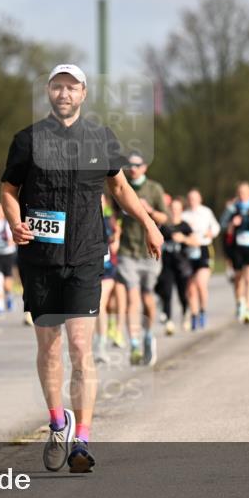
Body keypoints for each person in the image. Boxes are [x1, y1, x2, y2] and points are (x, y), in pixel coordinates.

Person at [0, 63, 163, 474]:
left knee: (79, 348)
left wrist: (149, 223)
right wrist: (14, 221)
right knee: (49, 348)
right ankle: (58, 424)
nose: (64, 94)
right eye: (58, 87)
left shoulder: (100, 138)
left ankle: (82, 441)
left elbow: (120, 186)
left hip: (87, 256)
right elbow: (8, 190)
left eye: (72, 88)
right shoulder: (27, 140)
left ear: (83, 94)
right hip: (40, 259)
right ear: (48, 92)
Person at [115, 153, 168, 366]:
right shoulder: (119, 185)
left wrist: (150, 211)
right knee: (132, 296)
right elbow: (113, 216)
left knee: (147, 297)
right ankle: (135, 343)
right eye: (130, 165)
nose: (133, 168)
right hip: (128, 250)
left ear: (145, 167)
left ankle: (147, 334)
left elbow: (166, 218)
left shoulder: (154, 189)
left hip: (149, 252)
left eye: (137, 165)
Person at [222, 182, 249, 324]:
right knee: (238, 277)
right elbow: (222, 225)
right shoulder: (232, 208)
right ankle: (240, 303)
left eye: (245, 192)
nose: (243, 195)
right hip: (237, 247)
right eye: (240, 192)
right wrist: (232, 224)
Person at [157, 197, 196, 335]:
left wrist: (183, 238)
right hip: (166, 264)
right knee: (166, 292)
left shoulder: (185, 226)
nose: (174, 211)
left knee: (182, 293)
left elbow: (195, 241)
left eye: (177, 209)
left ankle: (185, 313)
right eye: (172, 209)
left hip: (182, 265)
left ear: (181, 210)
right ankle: (169, 321)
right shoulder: (164, 226)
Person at [182, 189, 220, 330]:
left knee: (201, 283)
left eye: (195, 198)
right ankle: (194, 314)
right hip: (189, 251)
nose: (192, 201)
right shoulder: (184, 215)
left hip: (204, 249)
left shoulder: (206, 212)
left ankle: (203, 311)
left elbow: (216, 226)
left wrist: (211, 232)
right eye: (190, 198)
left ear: (200, 199)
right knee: (191, 288)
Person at [95, 194, 120, 362]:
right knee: (96, 307)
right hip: (89, 269)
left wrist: (116, 241)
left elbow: (117, 241)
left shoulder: (110, 221)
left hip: (107, 269)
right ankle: (94, 343)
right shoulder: (84, 221)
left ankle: (101, 346)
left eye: (101, 200)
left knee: (99, 304)